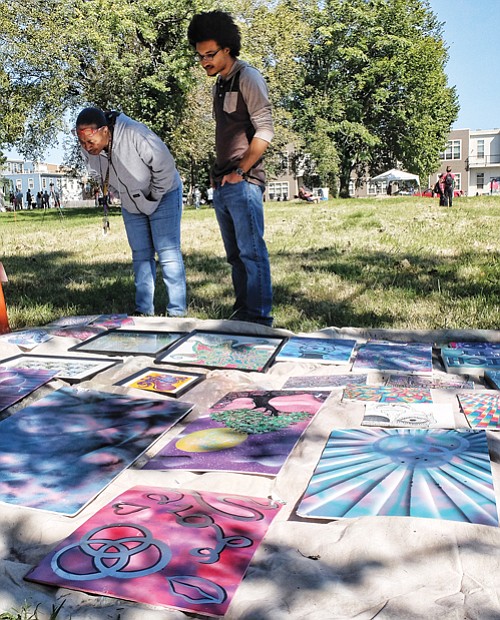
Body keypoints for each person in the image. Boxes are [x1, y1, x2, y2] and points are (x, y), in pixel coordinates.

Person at [188, 10, 274, 326]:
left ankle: (261, 320)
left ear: (228, 48)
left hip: (245, 181)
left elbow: (265, 130)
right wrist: (220, 180)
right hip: (222, 184)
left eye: (210, 54)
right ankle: (243, 317)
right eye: (200, 56)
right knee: (236, 258)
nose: (204, 61)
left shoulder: (248, 77)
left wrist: (241, 171)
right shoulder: (219, 85)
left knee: (252, 254)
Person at [74, 106, 187, 317]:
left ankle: (177, 313)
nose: (87, 147)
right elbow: (101, 173)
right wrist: (122, 195)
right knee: (141, 255)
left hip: (163, 194)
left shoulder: (136, 134)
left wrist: (154, 195)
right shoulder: (90, 148)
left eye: (90, 142)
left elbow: (166, 166)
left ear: (105, 130)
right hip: (132, 202)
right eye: (82, 143)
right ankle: (144, 311)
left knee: (168, 253)